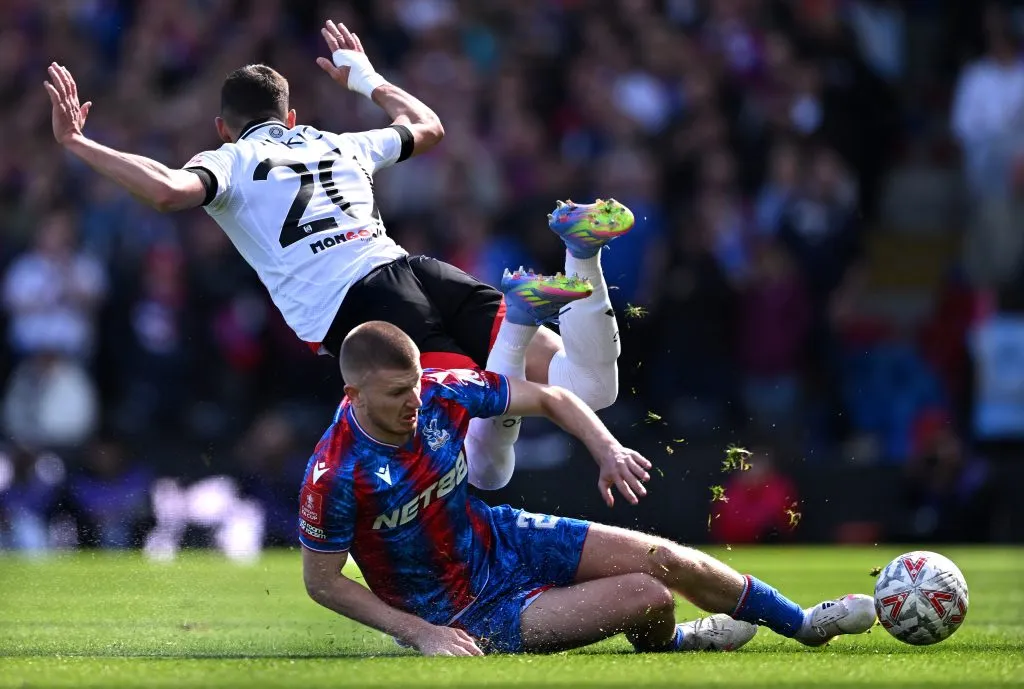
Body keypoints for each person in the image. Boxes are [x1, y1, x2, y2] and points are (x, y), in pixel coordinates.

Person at [43, 19, 633, 492]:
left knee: (483, 470)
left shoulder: (231, 162)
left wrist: (78, 142)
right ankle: (581, 254)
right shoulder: (336, 143)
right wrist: (368, 79)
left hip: (365, 309)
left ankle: (523, 317)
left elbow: (167, 190)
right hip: (419, 270)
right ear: (290, 117)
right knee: (587, 387)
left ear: (224, 128)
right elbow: (426, 126)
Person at [299, 321, 877, 656]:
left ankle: (804, 624)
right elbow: (322, 583)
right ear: (353, 394)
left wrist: (605, 449)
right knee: (650, 597)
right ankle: (680, 643)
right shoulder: (334, 474)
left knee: (665, 558)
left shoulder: (444, 391)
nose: (416, 401)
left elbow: (550, 396)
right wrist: (422, 634)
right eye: (399, 392)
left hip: (504, 540)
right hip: (465, 614)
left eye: (417, 384)